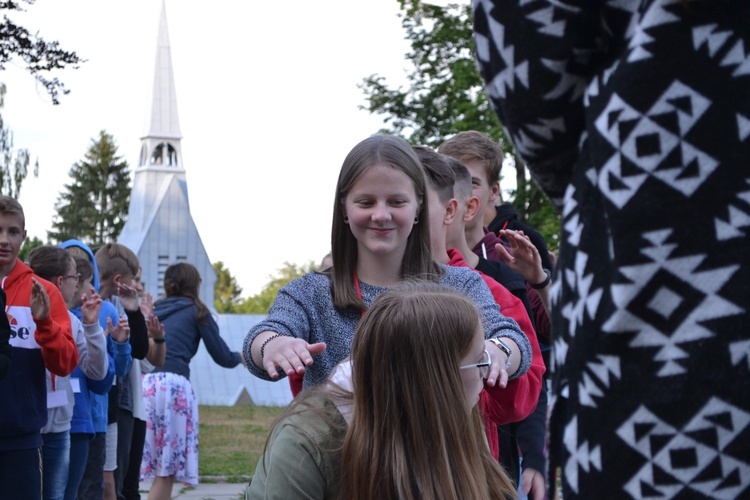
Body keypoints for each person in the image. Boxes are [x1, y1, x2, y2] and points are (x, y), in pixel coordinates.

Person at [473, 1, 750, 498]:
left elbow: (528, 47)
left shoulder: (521, 242)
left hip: (667, 256)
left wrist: (604, 198)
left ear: (493, 191)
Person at [243, 134, 532, 394]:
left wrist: (498, 351)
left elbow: (511, 338)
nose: (381, 215)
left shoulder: (461, 284)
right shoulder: (310, 293)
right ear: (343, 208)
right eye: (366, 202)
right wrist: (273, 345)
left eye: (396, 202)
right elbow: (264, 336)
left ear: (418, 208)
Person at [247, 282, 517, 500]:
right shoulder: (305, 445)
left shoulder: (455, 414)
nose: (487, 370)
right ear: (434, 376)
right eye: (480, 358)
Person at [141, 262, 242, 500]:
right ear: (195, 285)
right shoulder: (197, 311)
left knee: (150, 463)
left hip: (146, 386)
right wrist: (241, 358)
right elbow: (222, 356)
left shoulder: (154, 310)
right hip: (174, 388)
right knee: (166, 470)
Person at [0, 195, 77, 500]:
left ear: (24, 236)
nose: (4, 240)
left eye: (13, 231)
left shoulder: (43, 291)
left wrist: (44, 324)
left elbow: (66, 363)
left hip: (21, 441)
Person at [27, 246, 111, 500]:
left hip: (60, 430)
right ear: (60, 282)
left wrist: (91, 326)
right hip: (25, 431)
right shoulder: (19, 315)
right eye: (75, 277)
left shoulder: (73, 322)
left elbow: (96, 372)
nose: (78, 284)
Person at [61, 240, 132, 500]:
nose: (93, 289)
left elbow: (118, 371)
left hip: (95, 420)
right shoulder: (52, 314)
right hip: (57, 421)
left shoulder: (106, 310)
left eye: (93, 281)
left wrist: (120, 343)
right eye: (86, 282)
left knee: (92, 489)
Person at [95, 243, 152, 500]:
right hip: (91, 409)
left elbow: (139, 350)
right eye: (134, 281)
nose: (138, 287)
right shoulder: (94, 305)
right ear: (119, 280)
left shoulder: (117, 304)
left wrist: (133, 308)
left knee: (112, 483)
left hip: (112, 408)